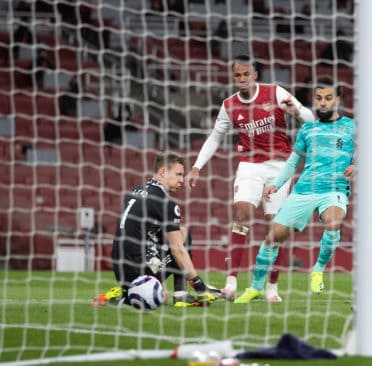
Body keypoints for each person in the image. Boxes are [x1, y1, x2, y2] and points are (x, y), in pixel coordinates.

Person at [185, 55, 314, 302]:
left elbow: (308, 119)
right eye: (237, 75)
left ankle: (272, 287)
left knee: (275, 227)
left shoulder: (275, 93)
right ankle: (231, 284)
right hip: (249, 165)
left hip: (280, 166)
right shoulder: (229, 105)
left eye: (246, 74)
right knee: (242, 213)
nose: (242, 79)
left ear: (255, 75)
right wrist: (196, 167)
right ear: (233, 78)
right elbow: (215, 137)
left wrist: (296, 110)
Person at [234, 76, 355, 303]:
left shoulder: (350, 126)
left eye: (328, 98)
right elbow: (292, 162)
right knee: (273, 238)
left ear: (337, 100)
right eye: (319, 98)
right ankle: (255, 287)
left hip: (334, 189)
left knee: (333, 222)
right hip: (304, 191)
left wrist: (356, 165)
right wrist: (275, 185)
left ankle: (318, 269)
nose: (323, 102)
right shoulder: (307, 129)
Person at [93, 153, 219, 307]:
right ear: (162, 172)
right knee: (182, 239)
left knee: (179, 232)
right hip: (139, 266)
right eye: (178, 174)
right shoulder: (166, 203)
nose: (181, 180)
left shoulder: (134, 191)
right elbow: (177, 250)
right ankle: (179, 295)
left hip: (119, 265)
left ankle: (125, 290)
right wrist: (199, 286)